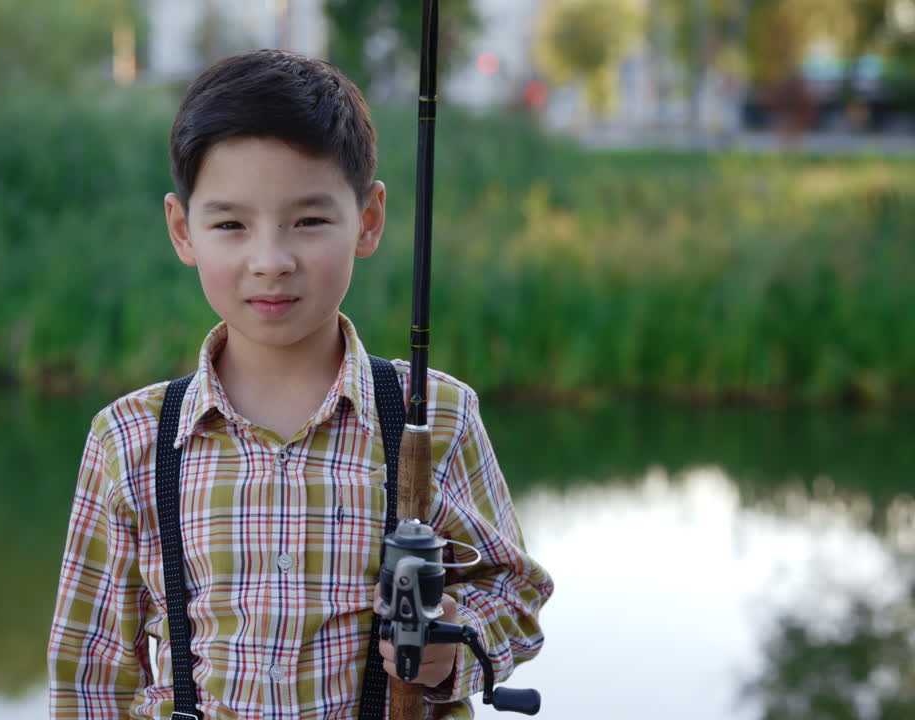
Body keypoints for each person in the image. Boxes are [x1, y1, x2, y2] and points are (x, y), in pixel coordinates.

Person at [47, 48, 552, 719]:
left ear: (368, 219)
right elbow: (89, 675)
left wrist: (455, 646)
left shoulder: (438, 415)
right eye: (231, 225)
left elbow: (516, 595)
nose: (271, 261)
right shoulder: (127, 439)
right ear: (182, 230)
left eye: (309, 221)